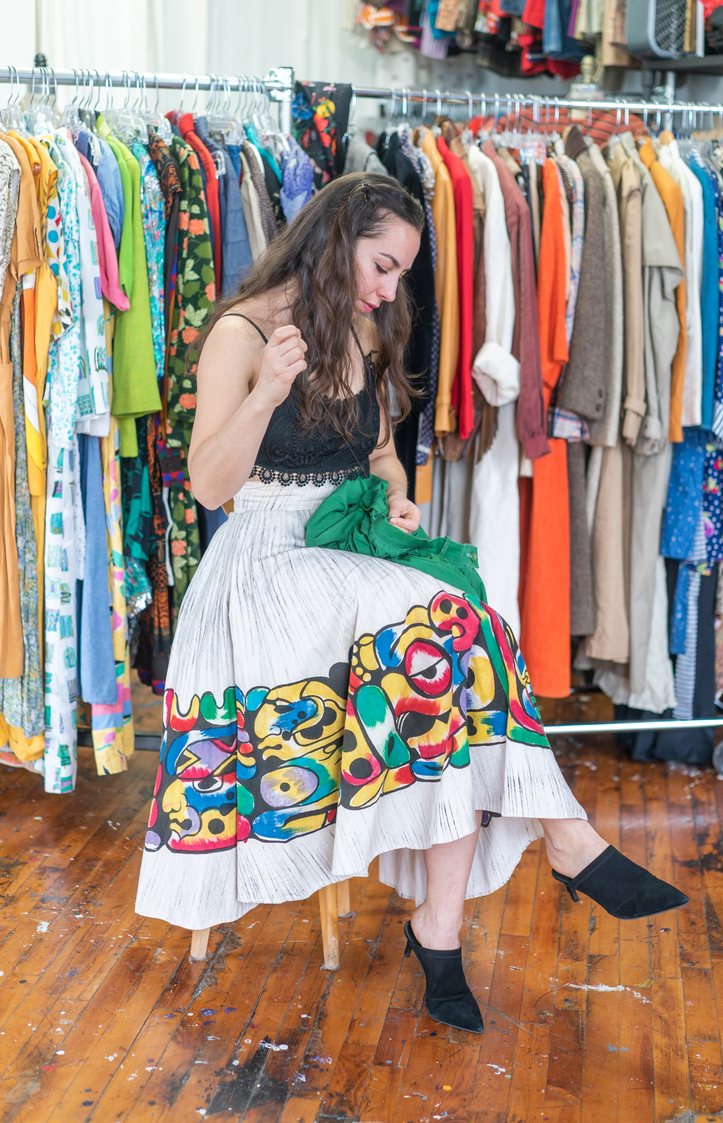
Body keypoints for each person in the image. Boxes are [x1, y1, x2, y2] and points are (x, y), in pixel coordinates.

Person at [135, 172, 687, 1035]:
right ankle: (564, 843)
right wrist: (269, 393)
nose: (391, 291)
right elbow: (209, 485)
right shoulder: (241, 332)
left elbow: (382, 455)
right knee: (454, 628)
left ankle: (445, 926)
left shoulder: (359, 327)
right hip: (266, 566)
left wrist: (393, 493)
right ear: (334, 237)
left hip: (344, 548)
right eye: (383, 266)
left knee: (465, 649)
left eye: (399, 275)